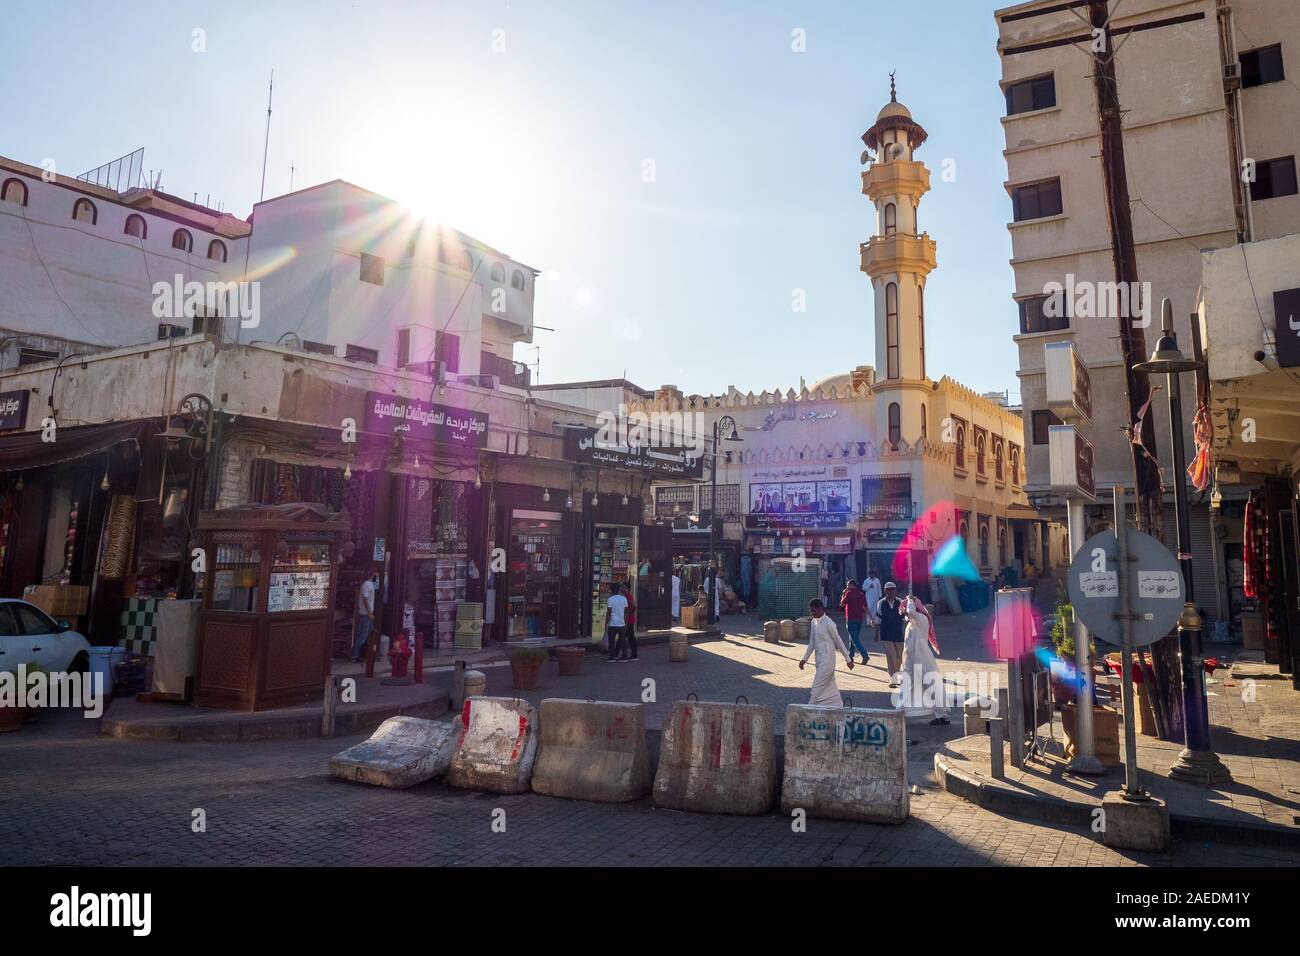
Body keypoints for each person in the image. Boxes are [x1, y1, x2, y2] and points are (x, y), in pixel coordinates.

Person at [897, 594, 949, 725]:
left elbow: (910, 611)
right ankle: (898, 713)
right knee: (906, 684)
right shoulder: (911, 622)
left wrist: (910, 600)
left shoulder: (922, 618)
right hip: (910, 659)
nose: (906, 615)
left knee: (932, 684)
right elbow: (906, 613)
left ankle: (942, 714)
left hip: (922, 656)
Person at [798, 598, 854, 706]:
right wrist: (804, 659)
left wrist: (848, 659)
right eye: (811, 611)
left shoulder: (829, 623)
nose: (812, 613)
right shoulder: (813, 623)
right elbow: (812, 643)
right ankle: (838, 707)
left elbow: (838, 641)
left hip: (828, 661)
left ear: (820, 609)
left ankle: (808, 711)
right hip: (819, 661)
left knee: (816, 688)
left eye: (813, 611)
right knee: (830, 690)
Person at [875, 581, 906, 688]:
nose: (891, 592)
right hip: (886, 633)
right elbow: (878, 619)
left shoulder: (900, 602)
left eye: (893, 589)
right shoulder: (881, 603)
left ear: (895, 590)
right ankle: (893, 678)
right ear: (885, 591)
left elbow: (904, 617)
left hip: (898, 633)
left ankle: (896, 675)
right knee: (891, 656)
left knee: (899, 657)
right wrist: (876, 633)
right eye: (888, 590)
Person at [839, 579, 870, 665]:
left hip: (851, 619)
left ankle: (864, 655)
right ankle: (850, 656)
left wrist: (843, 594)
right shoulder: (861, 594)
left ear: (852, 585)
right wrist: (871, 618)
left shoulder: (848, 593)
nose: (847, 586)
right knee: (852, 638)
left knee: (855, 639)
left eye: (848, 585)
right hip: (859, 620)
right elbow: (865, 608)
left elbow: (841, 604)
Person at [351, 571, 379, 662]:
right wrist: (370, 612)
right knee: (362, 636)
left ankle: (368, 654)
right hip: (365, 614)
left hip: (368, 614)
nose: (377, 578)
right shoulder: (367, 584)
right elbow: (365, 599)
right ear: (372, 575)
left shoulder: (370, 584)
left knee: (370, 634)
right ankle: (354, 655)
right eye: (376, 575)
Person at [605, 582, 631, 662]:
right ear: (619, 590)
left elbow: (609, 612)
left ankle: (612, 656)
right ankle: (624, 656)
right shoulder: (624, 599)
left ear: (612, 590)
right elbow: (626, 611)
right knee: (623, 640)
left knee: (612, 640)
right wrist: (625, 622)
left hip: (613, 623)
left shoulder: (610, 599)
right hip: (622, 623)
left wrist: (606, 623)